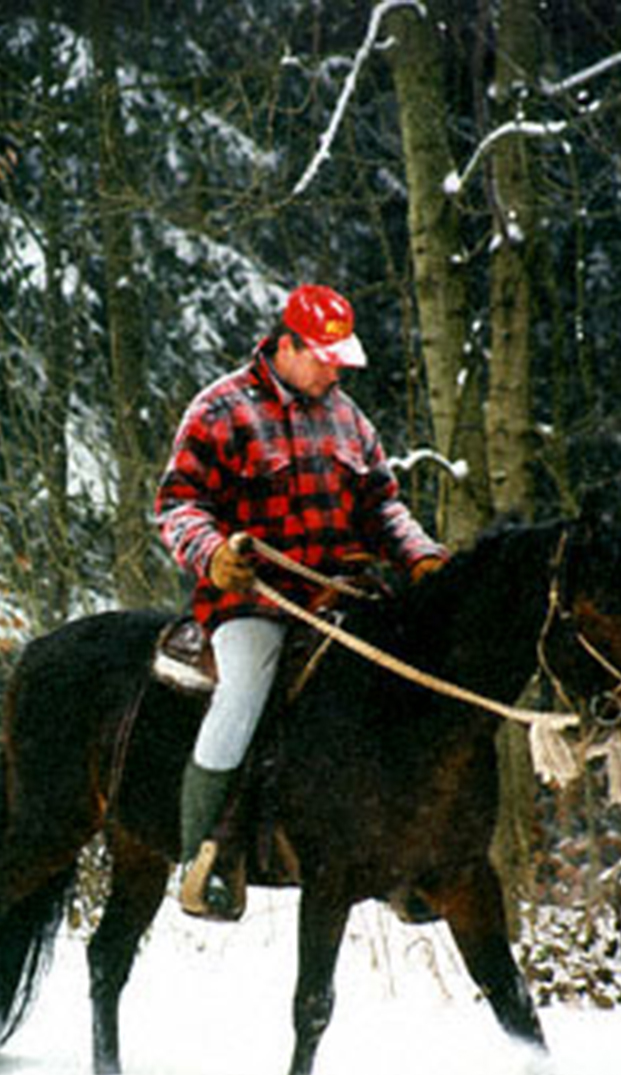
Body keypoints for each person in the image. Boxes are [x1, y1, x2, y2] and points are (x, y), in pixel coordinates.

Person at [155, 284, 448, 918]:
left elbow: (382, 506)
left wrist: (420, 554)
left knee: (406, 685)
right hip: (253, 600)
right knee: (243, 691)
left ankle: (404, 861)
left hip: (342, 595)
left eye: (342, 359)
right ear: (285, 346)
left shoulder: (350, 421)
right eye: (324, 356)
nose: (335, 369)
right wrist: (213, 555)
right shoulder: (220, 410)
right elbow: (178, 506)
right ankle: (202, 855)